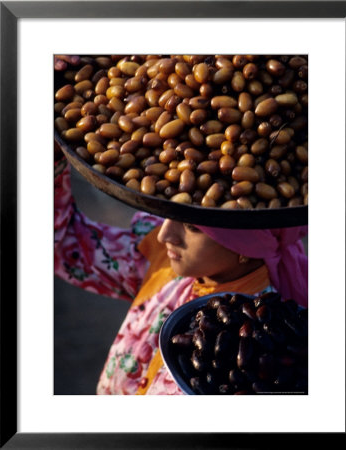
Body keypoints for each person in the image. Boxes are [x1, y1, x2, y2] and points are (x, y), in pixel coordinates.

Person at [54, 55, 308, 395]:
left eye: (193, 227)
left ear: (250, 247)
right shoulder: (162, 260)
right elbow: (63, 245)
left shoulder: (266, 339)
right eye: (170, 215)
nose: (164, 232)